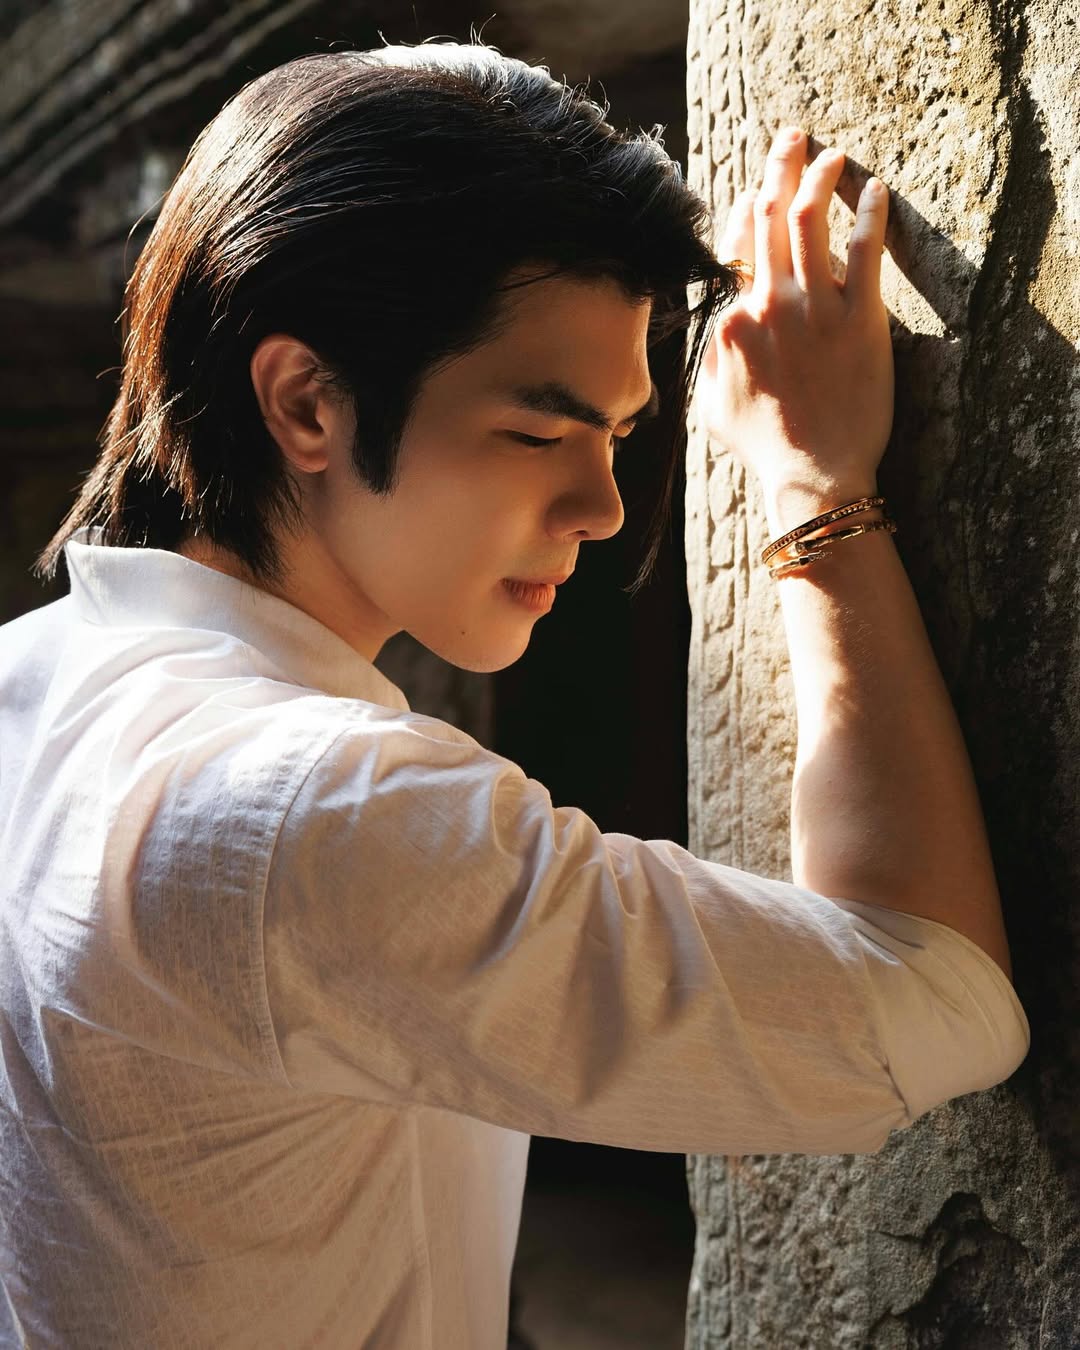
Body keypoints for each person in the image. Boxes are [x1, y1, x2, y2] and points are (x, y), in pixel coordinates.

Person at [0, 40, 1027, 1350]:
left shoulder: (30, 685)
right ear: (307, 403)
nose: (603, 507)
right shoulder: (320, 813)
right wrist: (818, 490)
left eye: (620, 434)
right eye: (538, 432)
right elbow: (935, 1002)